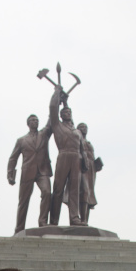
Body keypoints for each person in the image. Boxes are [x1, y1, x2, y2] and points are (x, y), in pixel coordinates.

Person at [49, 84, 87, 226]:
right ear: (60, 115)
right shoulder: (57, 125)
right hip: (63, 156)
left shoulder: (76, 131)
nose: (67, 113)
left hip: (76, 158)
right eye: (64, 112)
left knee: (74, 190)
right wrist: (57, 94)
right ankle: (53, 220)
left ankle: (74, 218)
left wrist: (85, 161)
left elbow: (81, 146)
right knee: (58, 189)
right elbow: (53, 108)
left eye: (69, 112)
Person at [7, 115, 53, 234]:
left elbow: (50, 123)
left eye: (37, 120)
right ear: (28, 123)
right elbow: (13, 158)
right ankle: (19, 228)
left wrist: (57, 101)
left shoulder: (44, 135)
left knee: (47, 192)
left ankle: (42, 222)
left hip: (42, 171)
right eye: (33, 120)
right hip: (27, 172)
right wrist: (10, 174)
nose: (35, 122)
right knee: (23, 201)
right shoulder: (21, 140)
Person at [77, 123, 103, 225]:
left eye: (85, 127)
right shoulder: (78, 141)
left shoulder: (88, 142)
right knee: (84, 191)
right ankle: (82, 219)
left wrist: (97, 165)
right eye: (81, 127)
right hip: (82, 168)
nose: (84, 129)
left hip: (91, 170)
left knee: (89, 194)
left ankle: (85, 220)